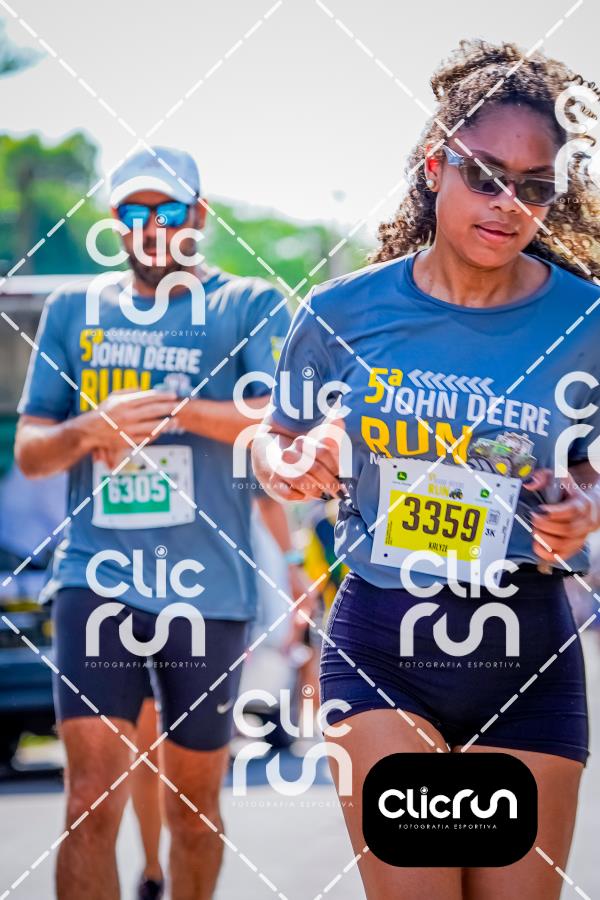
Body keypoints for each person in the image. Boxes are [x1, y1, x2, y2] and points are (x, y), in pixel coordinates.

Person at [253, 40, 600, 900]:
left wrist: (585, 504)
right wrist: (294, 458)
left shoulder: (585, 322)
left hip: (527, 648)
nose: (507, 203)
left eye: (534, 187)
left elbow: (591, 470)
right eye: (485, 176)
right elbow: (275, 441)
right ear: (435, 165)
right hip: (382, 645)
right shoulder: (342, 312)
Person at [14, 145, 299, 900]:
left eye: (167, 210)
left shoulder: (248, 304)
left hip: (209, 588)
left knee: (193, 814)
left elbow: (277, 423)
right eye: (132, 212)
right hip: (97, 577)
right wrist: (90, 428)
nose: (150, 227)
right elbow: (32, 452)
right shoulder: (74, 310)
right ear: (115, 221)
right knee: (88, 802)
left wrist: (172, 412)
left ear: (198, 215)